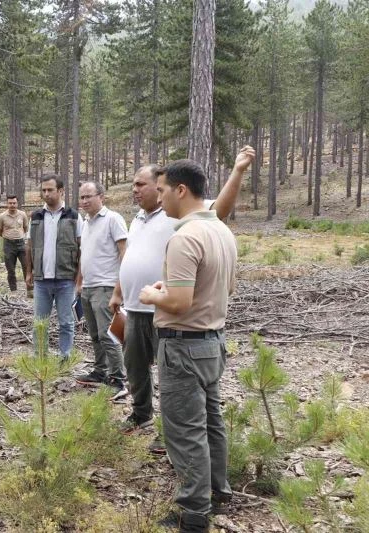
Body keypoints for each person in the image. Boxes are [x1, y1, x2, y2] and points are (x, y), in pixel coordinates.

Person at [112, 146, 255, 434]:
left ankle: (172, 430)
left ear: (162, 187)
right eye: (133, 186)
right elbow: (130, 258)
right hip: (135, 308)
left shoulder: (178, 212)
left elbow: (221, 210)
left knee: (173, 377)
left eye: (141, 185)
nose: (135, 190)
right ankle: (141, 414)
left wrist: (238, 171)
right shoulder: (137, 219)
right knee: (136, 368)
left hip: (168, 310)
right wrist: (118, 290)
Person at [138, 159, 240, 533]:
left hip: (184, 346)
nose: (159, 197)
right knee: (212, 423)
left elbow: (180, 304)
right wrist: (174, 291)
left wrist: (152, 294)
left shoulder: (184, 237)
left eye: (162, 190)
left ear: (181, 190)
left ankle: (194, 514)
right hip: (213, 341)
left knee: (185, 431)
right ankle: (216, 492)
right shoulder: (221, 232)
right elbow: (220, 288)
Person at [75, 181, 128, 398]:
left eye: (89, 196)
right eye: (82, 197)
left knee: (109, 335)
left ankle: (118, 378)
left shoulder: (113, 219)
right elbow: (84, 255)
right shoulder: (86, 222)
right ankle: (100, 370)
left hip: (106, 286)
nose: (85, 201)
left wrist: (120, 287)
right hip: (88, 286)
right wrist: (79, 282)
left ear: (101, 197)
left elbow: (125, 252)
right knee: (95, 334)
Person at [25, 175, 83, 359]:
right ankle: (40, 359)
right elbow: (29, 245)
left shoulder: (73, 216)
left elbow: (82, 247)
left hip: (66, 279)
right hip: (42, 280)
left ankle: (65, 357)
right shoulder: (36, 216)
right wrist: (28, 272)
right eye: (43, 190)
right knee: (40, 323)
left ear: (61, 191)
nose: (46, 193)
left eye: (50, 190)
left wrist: (79, 277)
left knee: (66, 322)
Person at [0, 194, 30, 295]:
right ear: (7, 204)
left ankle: (30, 289)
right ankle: (13, 291)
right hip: (8, 245)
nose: (12, 205)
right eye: (10, 203)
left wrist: (20, 236)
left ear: (17, 203)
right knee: (10, 269)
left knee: (26, 266)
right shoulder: (2, 216)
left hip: (21, 244)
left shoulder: (22, 214)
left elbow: (26, 227)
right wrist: (8, 237)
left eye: (14, 203)